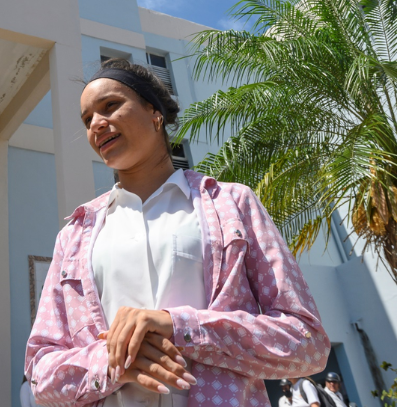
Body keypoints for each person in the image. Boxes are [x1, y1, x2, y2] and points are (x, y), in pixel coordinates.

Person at [24, 58, 331, 406]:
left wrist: (180, 326)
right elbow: (40, 372)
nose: (96, 123)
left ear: (154, 113)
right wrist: (115, 363)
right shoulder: (76, 234)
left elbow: (308, 344)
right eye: (87, 119)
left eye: (110, 106)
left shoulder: (232, 204)